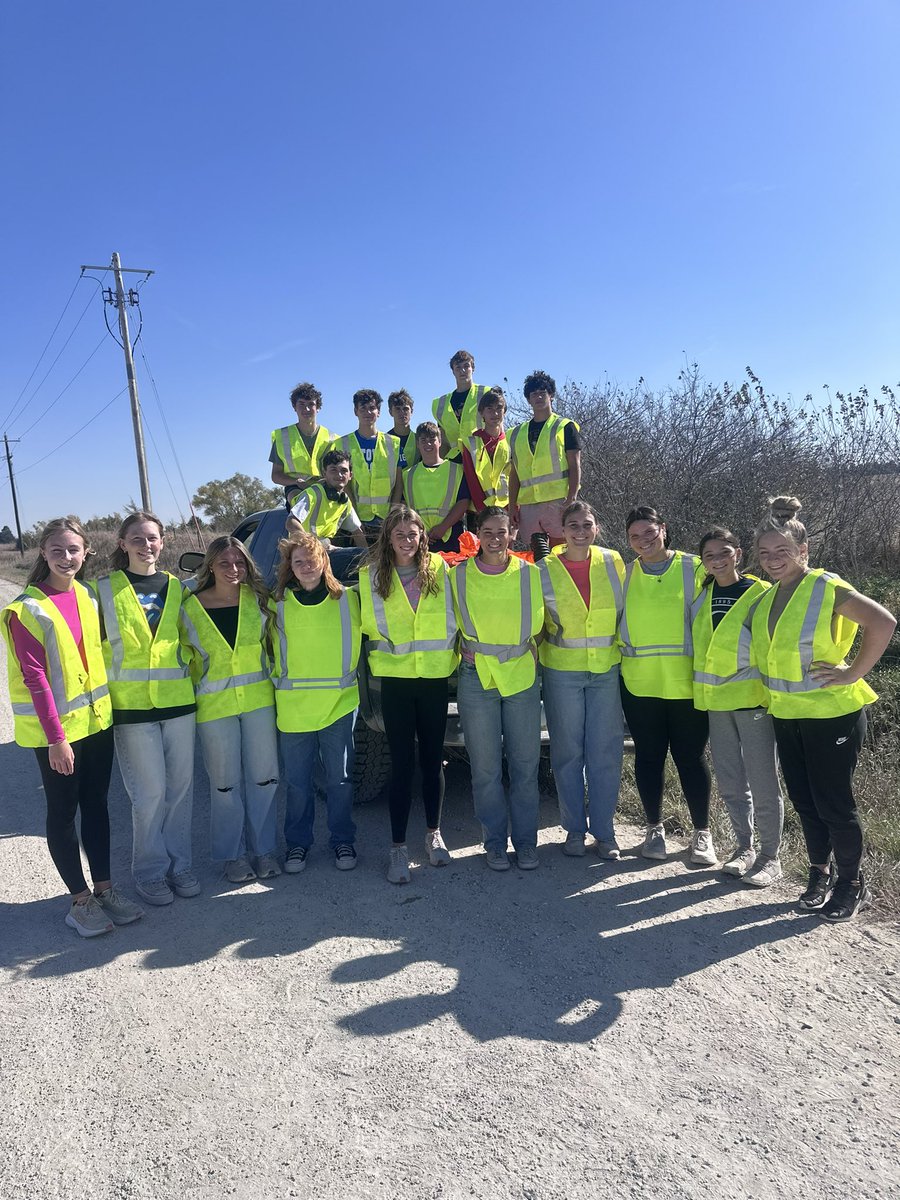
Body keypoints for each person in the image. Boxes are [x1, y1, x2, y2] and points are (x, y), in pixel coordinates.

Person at [751, 497, 895, 921]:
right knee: (805, 801)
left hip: (832, 713)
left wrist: (853, 672)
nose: (773, 560)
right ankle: (820, 873)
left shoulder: (824, 585)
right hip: (788, 713)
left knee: (834, 803)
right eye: (765, 553)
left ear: (803, 551)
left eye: (782, 551)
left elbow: (883, 622)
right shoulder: (768, 597)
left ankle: (853, 883)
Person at [1, 518, 143, 937]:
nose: (67, 558)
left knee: (97, 806)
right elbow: (36, 678)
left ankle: (104, 890)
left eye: (74, 550)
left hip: (97, 723)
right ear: (43, 552)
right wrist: (56, 740)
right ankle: (79, 901)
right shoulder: (25, 610)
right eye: (57, 550)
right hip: (57, 735)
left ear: (86, 554)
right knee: (63, 814)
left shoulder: (85, 595)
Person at [93, 512, 199, 907]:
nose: (146, 545)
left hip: (178, 705)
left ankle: (180, 865)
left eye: (152, 538)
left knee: (181, 789)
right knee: (149, 792)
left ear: (163, 541)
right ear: (122, 544)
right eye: (136, 538)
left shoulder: (179, 589)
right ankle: (150, 872)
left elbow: (195, 638)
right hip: (131, 709)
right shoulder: (102, 590)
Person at [358, 506, 459, 883]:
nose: (406, 540)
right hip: (396, 682)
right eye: (398, 534)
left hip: (433, 678)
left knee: (433, 763)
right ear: (388, 538)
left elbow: (456, 615)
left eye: (412, 533)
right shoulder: (370, 576)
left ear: (422, 535)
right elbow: (367, 625)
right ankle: (397, 848)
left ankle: (434, 834)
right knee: (402, 765)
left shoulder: (440, 570)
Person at [618, 505, 717, 865]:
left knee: (690, 758)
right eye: (635, 536)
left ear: (664, 528)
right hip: (641, 683)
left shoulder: (695, 567)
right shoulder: (624, 574)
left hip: (686, 684)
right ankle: (654, 829)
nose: (643, 540)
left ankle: (702, 834)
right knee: (648, 757)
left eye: (649, 532)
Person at [181, 536, 281, 885]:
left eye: (239, 563)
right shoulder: (188, 606)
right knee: (225, 785)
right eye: (224, 563)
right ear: (210, 565)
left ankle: (264, 850)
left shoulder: (259, 601)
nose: (233, 569)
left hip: (259, 703)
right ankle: (233, 856)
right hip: (214, 707)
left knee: (265, 779)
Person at [450, 507, 544, 871]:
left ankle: (526, 843)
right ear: (477, 533)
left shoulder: (531, 574)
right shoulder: (458, 576)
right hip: (477, 678)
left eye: (501, 531)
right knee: (486, 769)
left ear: (512, 533)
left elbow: (551, 619)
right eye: (487, 531)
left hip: (520, 677)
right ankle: (493, 843)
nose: (494, 538)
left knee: (524, 766)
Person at [692, 526, 783, 886]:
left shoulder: (762, 593)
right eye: (710, 555)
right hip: (717, 702)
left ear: (738, 554)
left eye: (724, 553)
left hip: (752, 701)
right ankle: (743, 847)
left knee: (763, 780)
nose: (717, 560)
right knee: (730, 779)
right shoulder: (703, 594)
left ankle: (770, 856)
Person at [539, 501, 626, 858]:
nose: (580, 530)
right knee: (568, 753)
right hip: (562, 671)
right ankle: (574, 830)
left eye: (586, 524)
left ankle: (605, 833)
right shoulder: (544, 568)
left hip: (606, 669)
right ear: (562, 529)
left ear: (596, 528)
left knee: (605, 753)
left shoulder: (614, 561)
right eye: (573, 524)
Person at [271, 531, 361, 872]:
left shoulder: (349, 600)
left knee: (339, 780)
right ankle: (297, 844)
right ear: (289, 568)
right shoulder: (275, 605)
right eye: (299, 561)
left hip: (337, 704)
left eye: (313, 559)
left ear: (325, 561)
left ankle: (343, 841)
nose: (307, 566)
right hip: (294, 708)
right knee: (297, 783)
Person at [507, 369, 582, 553]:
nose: (538, 397)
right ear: (528, 399)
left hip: (558, 501)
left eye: (542, 392)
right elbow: (515, 474)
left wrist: (571, 499)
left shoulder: (565, 426)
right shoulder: (516, 433)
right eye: (534, 394)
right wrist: (512, 506)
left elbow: (575, 465)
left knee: (561, 553)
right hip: (529, 504)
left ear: (551, 395)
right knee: (537, 555)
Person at [332, 389, 399, 539]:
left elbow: (398, 482)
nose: (368, 412)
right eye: (363, 408)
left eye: (372, 408)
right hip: (355, 519)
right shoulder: (342, 443)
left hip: (385, 519)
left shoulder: (393, 443)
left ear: (379, 412)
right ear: (356, 411)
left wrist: (392, 514)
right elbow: (344, 484)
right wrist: (354, 518)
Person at [403, 421, 471, 553]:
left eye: (432, 439)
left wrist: (443, 527)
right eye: (423, 440)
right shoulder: (408, 475)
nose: (428, 444)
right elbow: (404, 506)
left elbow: (463, 502)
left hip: (450, 536)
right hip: (420, 539)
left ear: (439, 441)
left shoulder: (456, 470)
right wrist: (419, 531)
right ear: (417, 444)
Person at [269, 380, 333, 507]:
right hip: (295, 487)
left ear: (318, 408)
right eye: (302, 404)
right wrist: (296, 481)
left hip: (325, 487)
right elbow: (276, 475)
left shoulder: (332, 438)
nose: (307, 409)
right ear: (294, 407)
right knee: (301, 506)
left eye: (311, 404)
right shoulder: (282, 437)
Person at [287, 449, 368, 547]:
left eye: (344, 470)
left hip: (324, 548)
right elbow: (291, 523)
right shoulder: (313, 494)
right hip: (304, 551)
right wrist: (311, 547)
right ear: (324, 473)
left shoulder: (344, 501)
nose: (339, 475)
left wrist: (366, 558)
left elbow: (358, 532)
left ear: (350, 475)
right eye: (333, 470)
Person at [460, 387, 510, 513]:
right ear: (481, 413)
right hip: (479, 511)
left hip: (509, 509)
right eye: (490, 409)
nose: (495, 413)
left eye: (499, 409)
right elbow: (471, 479)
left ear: (504, 412)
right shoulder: (471, 442)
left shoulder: (511, 441)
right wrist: (482, 510)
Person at [432, 349, 489, 458]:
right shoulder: (441, 404)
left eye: (466, 366)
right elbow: (443, 442)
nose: (462, 370)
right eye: (458, 367)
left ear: (473, 368)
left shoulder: (486, 394)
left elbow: (498, 429)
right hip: (454, 461)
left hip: (482, 458)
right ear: (453, 371)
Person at [387, 388, 419, 472]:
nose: (402, 412)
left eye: (405, 409)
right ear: (390, 412)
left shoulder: (419, 440)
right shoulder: (384, 440)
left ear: (411, 411)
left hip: (412, 484)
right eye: (397, 409)